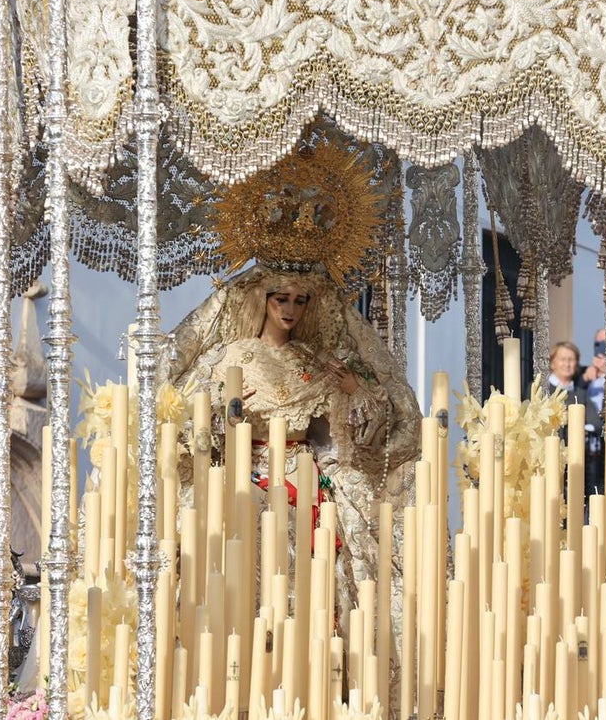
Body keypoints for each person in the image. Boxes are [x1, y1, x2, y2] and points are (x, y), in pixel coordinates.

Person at [166, 264, 421, 628]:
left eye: (300, 301)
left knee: (322, 546)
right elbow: (189, 417)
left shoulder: (315, 360)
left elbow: (369, 424)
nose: (290, 310)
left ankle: (312, 636)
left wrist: (354, 389)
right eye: (282, 299)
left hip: (303, 475)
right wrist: (225, 409)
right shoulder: (229, 359)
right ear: (262, 299)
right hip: (247, 472)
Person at [548, 341, 603, 433]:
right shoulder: (540, 388)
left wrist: (579, 429)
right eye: (562, 359)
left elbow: (596, 423)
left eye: (571, 360)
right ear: (552, 363)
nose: (567, 364)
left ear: (576, 364)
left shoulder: (581, 394)